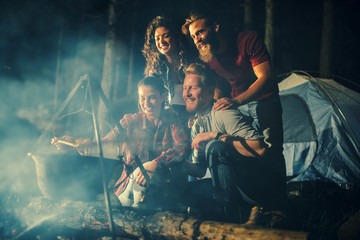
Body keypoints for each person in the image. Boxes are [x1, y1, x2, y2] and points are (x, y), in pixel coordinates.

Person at [52, 76, 190, 208]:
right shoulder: (130, 121)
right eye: (142, 98)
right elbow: (105, 142)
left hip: (159, 189)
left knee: (150, 172)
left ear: (163, 96)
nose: (146, 104)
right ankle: (138, 210)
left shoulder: (171, 119)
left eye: (152, 98)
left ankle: (141, 210)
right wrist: (75, 144)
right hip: (128, 189)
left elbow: (183, 146)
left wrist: (156, 163)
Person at [181, 11, 286, 184]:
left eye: (200, 32)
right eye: (193, 36)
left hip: (264, 101)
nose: (197, 40)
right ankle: (253, 204)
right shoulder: (210, 57)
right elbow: (216, 87)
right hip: (237, 107)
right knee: (241, 151)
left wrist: (236, 101)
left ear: (215, 27)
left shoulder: (247, 40)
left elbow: (266, 77)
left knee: (270, 150)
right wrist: (205, 114)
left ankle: (278, 206)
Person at [182, 63, 286, 221]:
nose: (187, 94)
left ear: (210, 91)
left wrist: (215, 135)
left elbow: (260, 150)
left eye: (192, 88)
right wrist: (172, 162)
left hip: (258, 188)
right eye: (184, 88)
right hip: (234, 186)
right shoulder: (197, 124)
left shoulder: (224, 114)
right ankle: (221, 212)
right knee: (187, 192)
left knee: (215, 147)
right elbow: (200, 170)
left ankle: (230, 217)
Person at [142, 16, 197, 125]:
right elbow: (149, 100)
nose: (161, 41)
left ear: (176, 37)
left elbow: (202, 93)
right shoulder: (155, 69)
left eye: (166, 36)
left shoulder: (191, 62)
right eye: (157, 38)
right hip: (168, 120)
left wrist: (196, 116)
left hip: (193, 116)